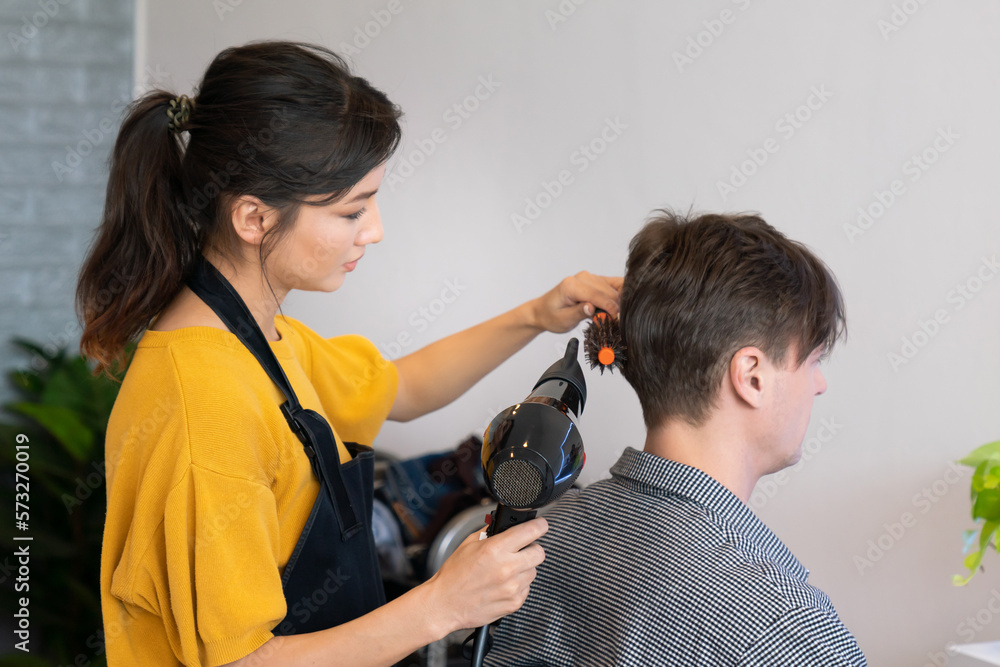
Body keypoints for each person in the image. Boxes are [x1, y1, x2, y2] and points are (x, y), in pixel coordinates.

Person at [75, 41, 621, 667]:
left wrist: (536, 314)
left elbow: (404, 388)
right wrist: (442, 605)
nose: (375, 229)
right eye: (351, 210)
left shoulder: (264, 340)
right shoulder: (204, 403)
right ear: (254, 217)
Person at [485, 211, 867, 666]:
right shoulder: (785, 628)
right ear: (752, 376)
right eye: (813, 359)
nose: (819, 384)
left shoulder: (534, 542)